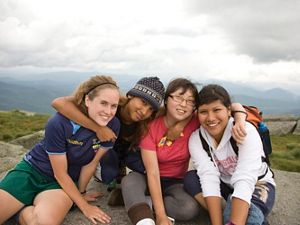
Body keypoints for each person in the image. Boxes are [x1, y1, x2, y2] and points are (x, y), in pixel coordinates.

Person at [121, 78, 248, 225]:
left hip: (175, 181)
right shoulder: (150, 127)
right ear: (166, 100)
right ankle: (144, 218)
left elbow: (228, 106)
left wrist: (239, 120)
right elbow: (152, 173)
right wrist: (161, 216)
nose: (183, 104)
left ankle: (142, 202)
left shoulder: (197, 120)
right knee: (130, 181)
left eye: (190, 101)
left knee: (189, 208)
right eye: (179, 98)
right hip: (147, 176)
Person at [0, 75, 121, 225]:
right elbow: (59, 172)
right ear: (87, 100)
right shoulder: (59, 122)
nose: (108, 111)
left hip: (60, 185)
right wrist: (85, 207)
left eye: (113, 106)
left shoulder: (113, 125)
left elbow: (92, 162)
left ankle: (19, 213)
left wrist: (81, 193)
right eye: (103, 103)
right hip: (32, 172)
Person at [51, 76, 165, 205]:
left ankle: (128, 190)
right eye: (143, 102)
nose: (144, 111)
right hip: (105, 150)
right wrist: (98, 128)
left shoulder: (147, 122)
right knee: (108, 175)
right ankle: (107, 172)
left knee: (152, 170)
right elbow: (58, 103)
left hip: (128, 152)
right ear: (131, 96)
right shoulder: (112, 105)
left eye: (151, 109)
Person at [184, 84, 276, 225]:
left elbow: (245, 178)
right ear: (197, 114)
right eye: (203, 112)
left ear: (228, 110)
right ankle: (234, 212)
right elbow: (209, 177)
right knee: (191, 178)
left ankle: (240, 213)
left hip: (258, 183)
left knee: (237, 214)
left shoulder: (244, 131)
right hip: (226, 183)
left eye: (217, 110)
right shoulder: (197, 139)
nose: (210, 118)